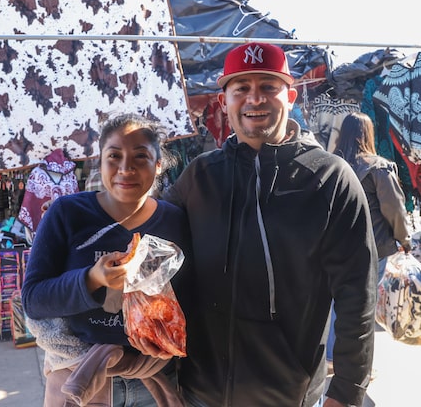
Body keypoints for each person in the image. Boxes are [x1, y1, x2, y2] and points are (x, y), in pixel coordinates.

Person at [134, 42, 378, 407]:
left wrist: (346, 393)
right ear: (224, 101)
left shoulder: (330, 180)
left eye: (268, 86)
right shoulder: (200, 176)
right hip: (199, 393)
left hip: (288, 396)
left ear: (290, 95)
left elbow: (358, 296)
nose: (255, 99)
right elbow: (154, 253)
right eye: (241, 88)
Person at [22, 113, 191, 406]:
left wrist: (167, 334)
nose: (126, 168)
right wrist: (91, 280)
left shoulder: (174, 221)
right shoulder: (67, 213)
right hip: (80, 378)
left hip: (152, 382)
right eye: (114, 156)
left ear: (158, 164)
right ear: (99, 162)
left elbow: (190, 298)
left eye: (141, 157)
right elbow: (34, 299)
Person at [334, 111, 412, 280]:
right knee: (367, 300)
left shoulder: (331, 166)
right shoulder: (378, 167)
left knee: (338, 298)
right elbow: (394, 209)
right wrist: (404, 240)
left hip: (336, 247)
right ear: (368, 133)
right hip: (371, 247)